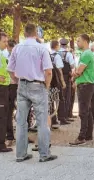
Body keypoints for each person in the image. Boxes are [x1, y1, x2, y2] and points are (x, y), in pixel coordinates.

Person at [7, 23, 57, 163]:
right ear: (36, 33)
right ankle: (44, 154)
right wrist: (46, 86)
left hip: (22, 85)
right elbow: (48, 71)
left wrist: (17, 81)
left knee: (21, 121)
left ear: (24, 33)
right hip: (38, 85)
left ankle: (21, 154)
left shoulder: (17, 48)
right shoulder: (41, 48)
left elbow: (10, 69)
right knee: (42, 121)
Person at [69, 34, 94, 145]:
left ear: (85, 41)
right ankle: (89, 135)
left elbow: (79, 71)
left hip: (85, 85)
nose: (77, 43)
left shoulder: (86, 54)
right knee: (87, 110)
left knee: (83, 112)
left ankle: (82, 137)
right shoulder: (88, 53)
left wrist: (73, 77)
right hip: (86, 84)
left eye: (78, 41)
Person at [50, 40, 67, 127]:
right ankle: (62, 118)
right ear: (57, 46)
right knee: (60, 98)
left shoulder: (48, 55)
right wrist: (63, 81)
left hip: (50, 80)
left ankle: (53, 120)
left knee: (51, 99)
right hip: (56, 80)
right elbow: (59, 70)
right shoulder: (57, 56)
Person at [58, 39, 76, 120]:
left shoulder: (57, 53)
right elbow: (72, 65)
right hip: (65, 76)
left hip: (57, 76)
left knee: (58, 96)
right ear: (67, 45)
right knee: (66, 96)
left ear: (60, 44)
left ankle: (58, 115)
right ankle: (65, 116)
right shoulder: (68, 54)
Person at [6, 40, 17, 146]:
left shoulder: (12, 55)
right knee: (9, 111)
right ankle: (10, 136)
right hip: (12, 84)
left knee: (11, 111)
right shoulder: (6, 55)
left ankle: (12, 137)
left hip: (13, 84)